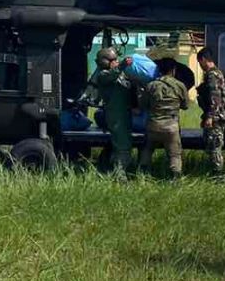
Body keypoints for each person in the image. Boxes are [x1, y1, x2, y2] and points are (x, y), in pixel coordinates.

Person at [80, 46, 139, 179]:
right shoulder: (103, 75)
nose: (115, 61)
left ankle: (106, 169)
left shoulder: (119, 75)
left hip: (124, 115)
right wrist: (123, 65)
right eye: (113, 60)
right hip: (116, 116)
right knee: (122, 147)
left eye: (116, 59)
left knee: (121, 145)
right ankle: (120, 176)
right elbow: (112, 75)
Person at [141, 56, 190, 180]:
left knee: (148, 149)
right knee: (175, 155)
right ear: (173, 70)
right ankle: (175, 178)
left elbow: (143, 105)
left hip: (153, 125)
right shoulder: (180, 86)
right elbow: (185, 106)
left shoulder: (151, 85)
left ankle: (143, 174)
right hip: (171, 127)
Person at [196, 46, 225, 173]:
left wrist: (210, 116)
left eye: (200, 62)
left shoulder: (212, 75)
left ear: (204, 59)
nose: (200, 66)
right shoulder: (220, 73)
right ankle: (215, 172)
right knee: (213, 145)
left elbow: (215, 96)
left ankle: (218, 176)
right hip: (221, 114)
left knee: (214, 147)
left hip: (216, 117)